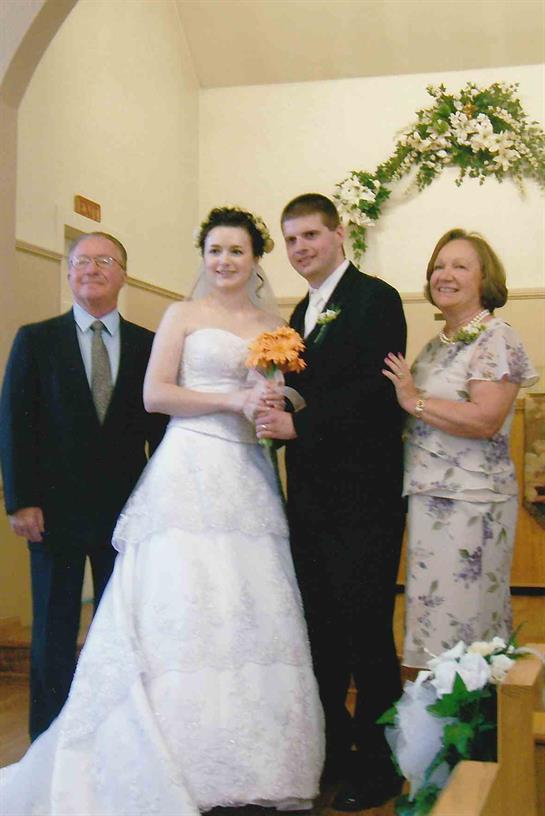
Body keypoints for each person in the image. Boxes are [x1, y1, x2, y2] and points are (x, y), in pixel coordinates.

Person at [0, 207, 324, 815]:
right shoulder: (178, 316)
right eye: (215, 250)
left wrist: (273, 404)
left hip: (243, 474)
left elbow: (267, 402)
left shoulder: (274, 326)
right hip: (181, 471)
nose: (224, 261)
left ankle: (239, 754)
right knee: (158, 606)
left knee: (241, 607)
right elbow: (155, 396)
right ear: (203, 258)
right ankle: (103, 739)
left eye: (237, 250)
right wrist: (231, 398)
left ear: (256, 259)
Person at [257, 194, 407, 811]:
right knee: (321, 630)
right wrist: (280, 405)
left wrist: (302, 426)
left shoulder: (377, 298)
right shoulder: (298, 310)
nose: (300, 249)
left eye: (311, 236)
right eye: (291, 240)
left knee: (366, 630)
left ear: (339, 234)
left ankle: (380, 767)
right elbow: (309, 387)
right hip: (312, 497)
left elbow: (375, 392)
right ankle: (331, 751)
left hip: (364, 497)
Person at [0, 232, 167, 741]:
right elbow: (14, 423)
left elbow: (161, 434)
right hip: (53, 514)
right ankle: (49, 742)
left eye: (103, 260)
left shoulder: (149, 345)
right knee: (52, 633)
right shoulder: (36, 339)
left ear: (122, 273)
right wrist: (21, 499)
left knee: (123, 630)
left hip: (126, 518)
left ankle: (119, 736)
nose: (91, 269)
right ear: (69, 273)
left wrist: (162, 506)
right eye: (80, 261)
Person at [383, 228, 538, 669]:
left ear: (484, 278)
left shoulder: (496, 338)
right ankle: (441, 722)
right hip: (430, 498)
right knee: (434, 618)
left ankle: (475, 726)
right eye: (438, 265)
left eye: (459, 266)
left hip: (473, 501)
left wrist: (414, 399)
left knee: (468, 622)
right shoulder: (436, 346)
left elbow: (486, 420)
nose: (444, 274)